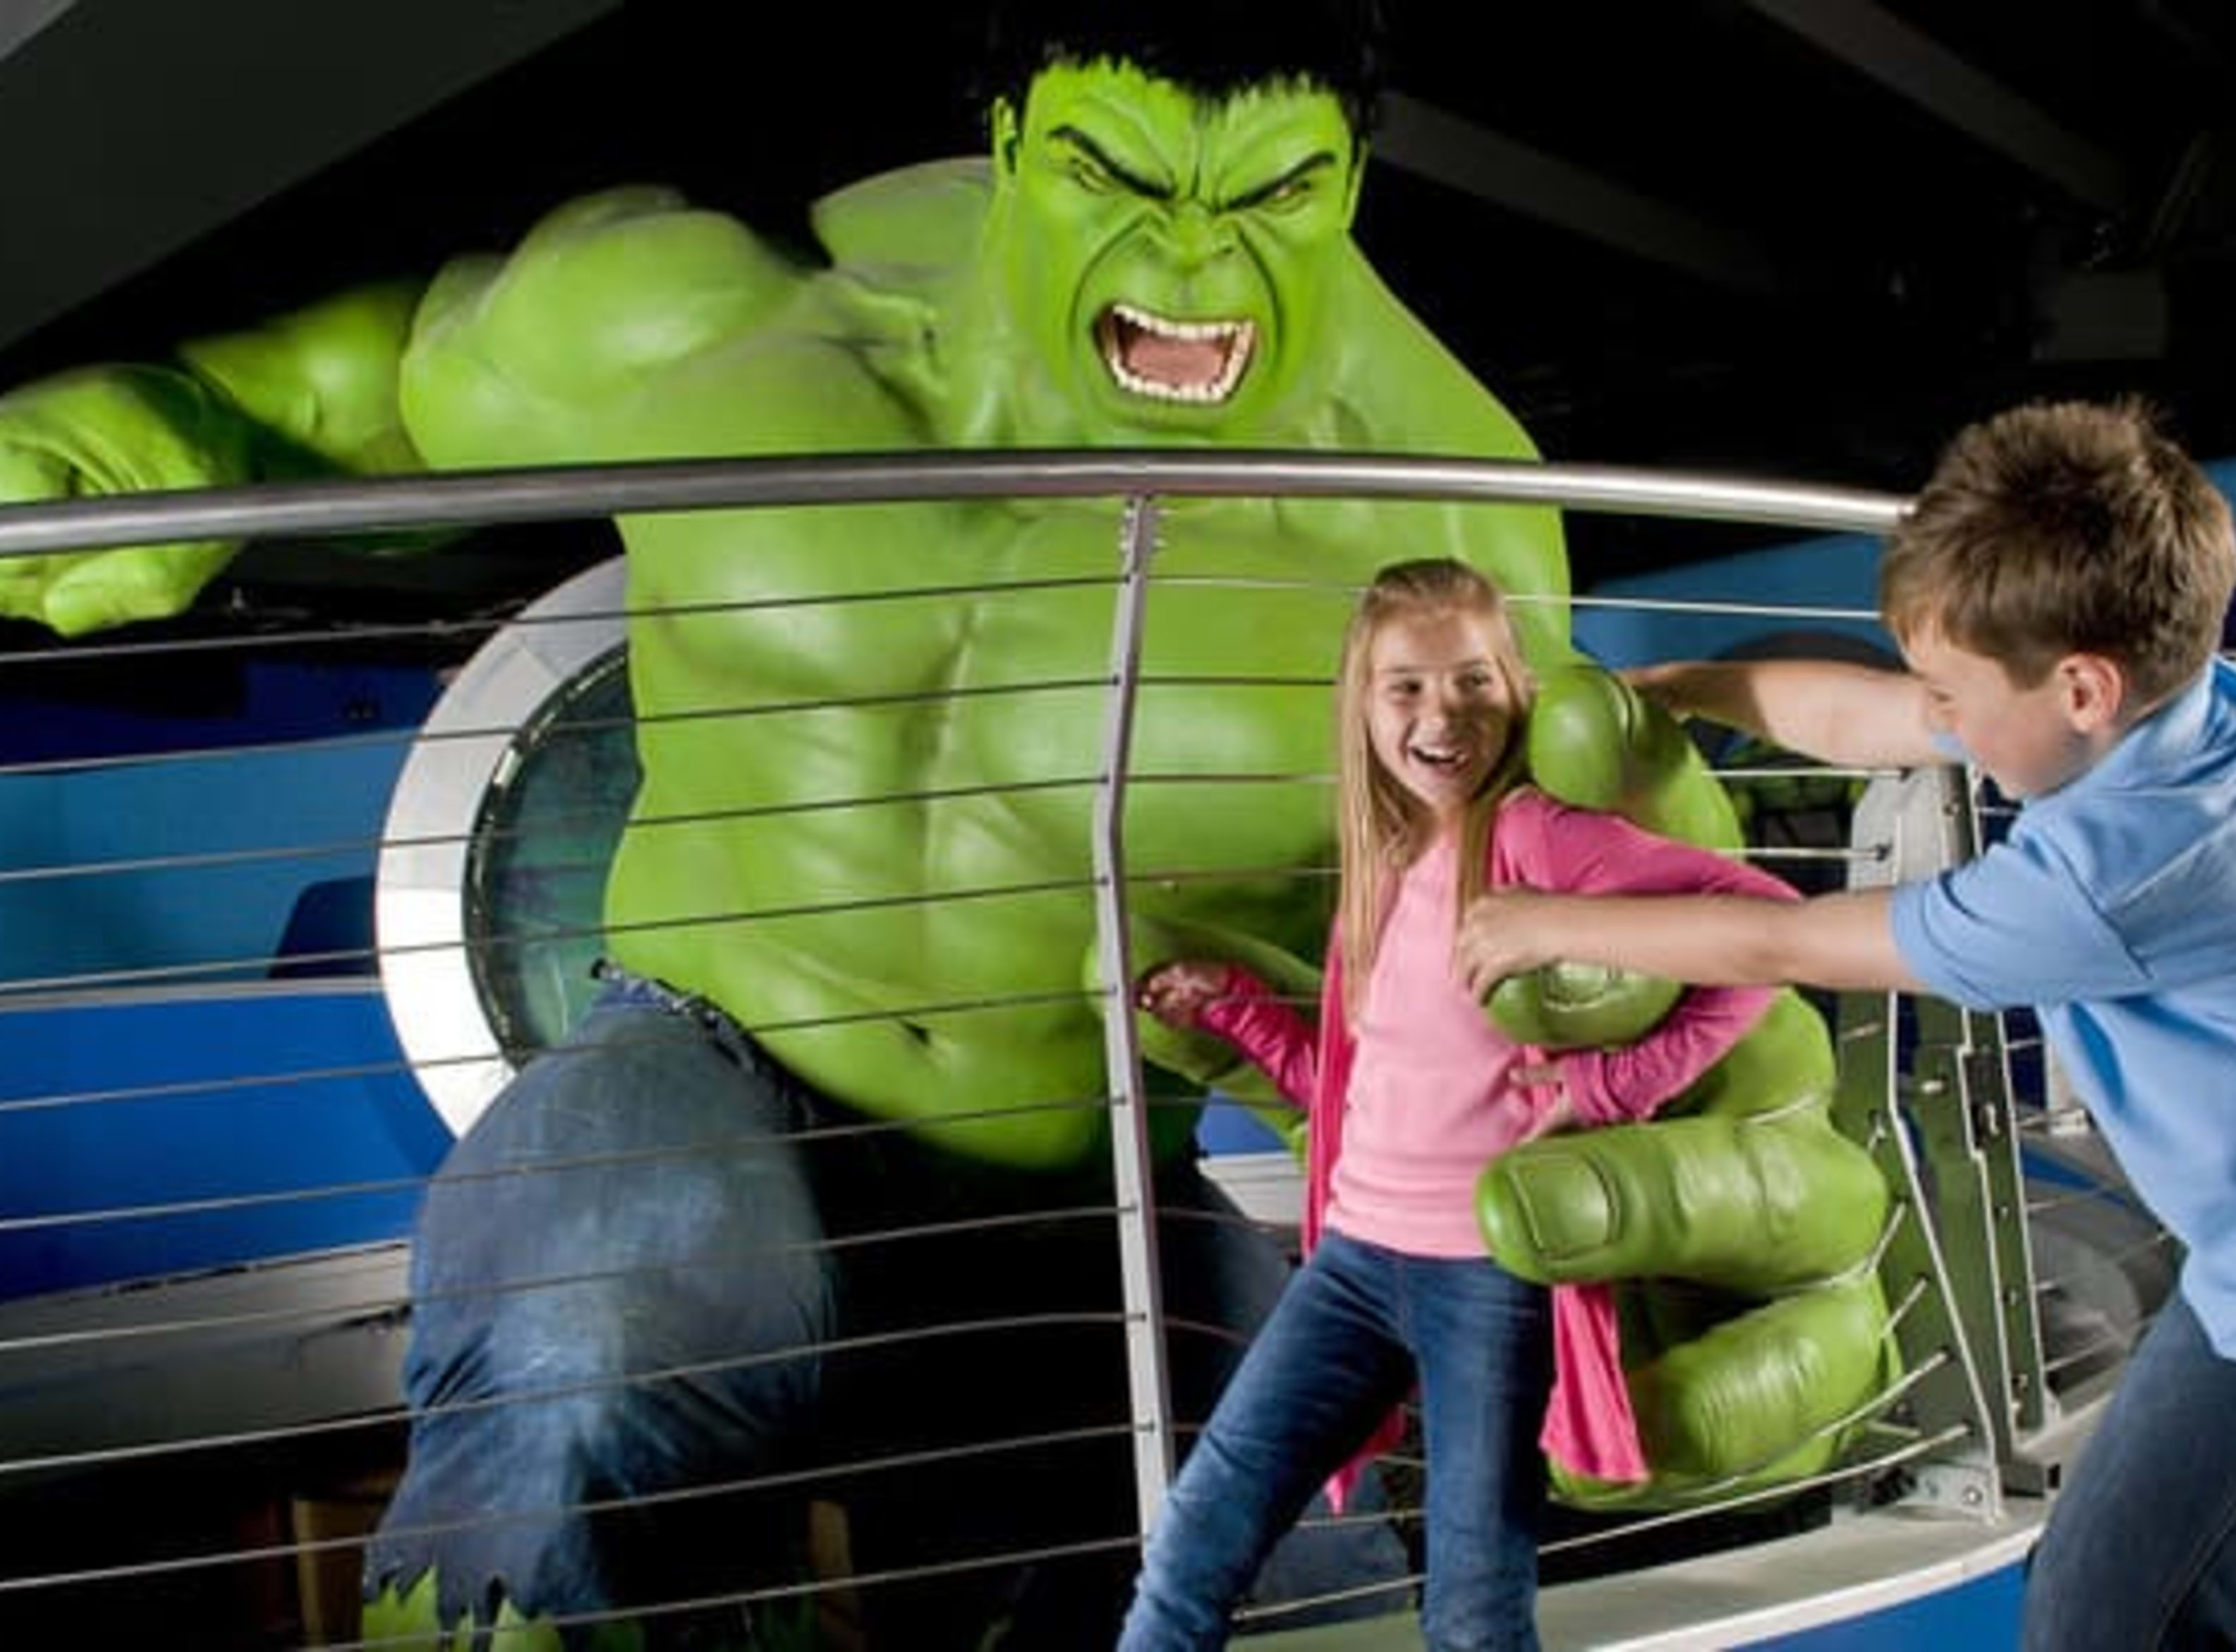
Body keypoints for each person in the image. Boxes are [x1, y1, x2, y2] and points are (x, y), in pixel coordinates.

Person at [0, 2, 1893, 1642]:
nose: (1195, 271)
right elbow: (356, 398)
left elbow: (1498, 935)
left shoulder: (1443, 525)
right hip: (707, 1050)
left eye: (1272, 199)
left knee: (1278, 1548)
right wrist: (167, 435)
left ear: (1348, 183)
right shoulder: (701, 337)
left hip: (1078, 1154)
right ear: (1009, 143)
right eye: (1119, 179)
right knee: (596, 1326)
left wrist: (1646, 1124)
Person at [1452, 399, 2236, 1649]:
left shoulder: (2136, 863)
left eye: (1954, 685)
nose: (1937, 712)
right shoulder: (2171, 705)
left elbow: (1782, 941)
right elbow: (1875, 717)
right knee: (2102, 1614)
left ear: (2080, 685)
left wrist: (1541, 924)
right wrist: (1675, 690)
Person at [1118, 559, 1799, 1650]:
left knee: (1476, 1607)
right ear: (1363, 706)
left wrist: (1610, 1083)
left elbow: (1765, 921)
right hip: (1351, 1262)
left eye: (1474, 682)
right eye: (1409, 689)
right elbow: (1364, 1084)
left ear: (1516, 687)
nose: (1445, 715)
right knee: (1192, 1547)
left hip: (1487, 1275)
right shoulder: (1385, 857)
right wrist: (1237, 1010)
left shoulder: (1532, 835)